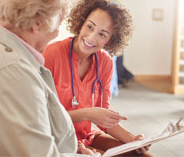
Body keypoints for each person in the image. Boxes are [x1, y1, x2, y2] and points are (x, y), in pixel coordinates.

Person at [0, 0, 98, 156]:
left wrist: (71, 151)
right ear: (37, 23)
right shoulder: (13, 72)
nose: (57, 32)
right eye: (59, 22)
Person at [42, 0, 152, 155]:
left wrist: (133, 139)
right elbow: (41, 117)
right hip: (56, 139)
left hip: (87, 136)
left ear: (111, 40)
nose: (91, 38)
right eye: (89, 27)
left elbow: (103, 118)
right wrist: (87, 114)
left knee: (141, 155)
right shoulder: (51, 55)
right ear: (81, 23)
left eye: (102, 34)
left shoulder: (105, 62)